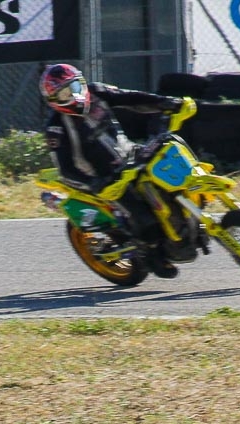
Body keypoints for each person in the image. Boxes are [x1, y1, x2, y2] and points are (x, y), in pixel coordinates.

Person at [39, 63, 186, 279]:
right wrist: (95, 183)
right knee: (142, 215)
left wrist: (163, 102)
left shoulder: (96, 91)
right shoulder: (56, 127)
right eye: (64, 94)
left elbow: (130, 98)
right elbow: (66, 169)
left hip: (129, 153)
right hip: (101, 177)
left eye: (75, 88)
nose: (74, 96)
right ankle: (153, 254)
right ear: (54, 101)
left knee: (170, 174)